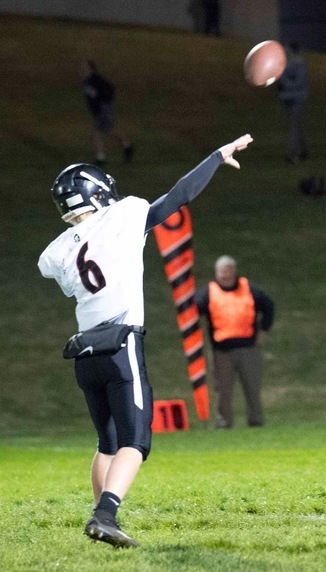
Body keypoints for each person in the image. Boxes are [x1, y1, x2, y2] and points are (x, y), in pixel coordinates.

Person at [38, 134, 252, 548]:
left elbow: (63, 268)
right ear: (98, 192)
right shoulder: (123, 215)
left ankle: (100, 516)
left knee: (106, 442)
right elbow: (178, 197)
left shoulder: (58, 250)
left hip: (85, 353)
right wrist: (217, 156)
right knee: (135, 442)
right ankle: (105, 515)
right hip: (121, 346)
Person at [196, 256, 275, 428]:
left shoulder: (249, 288)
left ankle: (256, 421)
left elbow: (268, 306)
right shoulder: (208, 292)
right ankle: (224, 423)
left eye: (228, 271)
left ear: (234, 271)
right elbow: (193, 311)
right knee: (222, 390)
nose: (225, 275)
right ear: (216, 273)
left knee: (252, 388)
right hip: (222, 351)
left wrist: (263, 330)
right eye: (222, 272)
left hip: (248, 348)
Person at [80, 60, 134, 167]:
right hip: (100, 111)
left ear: (91, 69)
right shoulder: (88, 81)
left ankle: (101, 157)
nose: (82, 70)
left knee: (97, 133)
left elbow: (110, 89)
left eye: (85, 68)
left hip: (103, 110)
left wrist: (104, 104)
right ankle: (127, 146)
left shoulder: (96, 80)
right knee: (108, 131)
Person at [277, 43, 309, 164]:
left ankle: (294, 153)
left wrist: (285, 83)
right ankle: (303, 150)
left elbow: (298, 82)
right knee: (295, 126)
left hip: (296, 99)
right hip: (288, 98)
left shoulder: (299, 64)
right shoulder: (288, 64)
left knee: (293, 127)